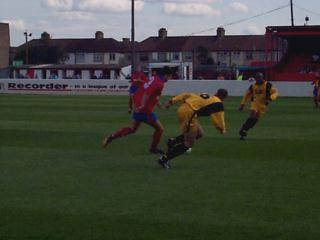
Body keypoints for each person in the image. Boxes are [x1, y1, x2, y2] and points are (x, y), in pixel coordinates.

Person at [102, 66, 173, 154]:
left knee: (132, 129)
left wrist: (158, 105)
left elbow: (152, 94)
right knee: (160, 129)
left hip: (138, 105)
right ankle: (153, 148)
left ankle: (111, 137)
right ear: (166, 75)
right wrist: (142, 105)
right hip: (144, 109)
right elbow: (147, 94)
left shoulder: (154, 78)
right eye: (170, 76)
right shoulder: (159, 83)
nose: (170, 78)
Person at [158, 89, 228, 169]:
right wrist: (222, 129)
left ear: (216, 93)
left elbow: (186, 94)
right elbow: (219, 118)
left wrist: (172, 101)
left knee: (199, 133)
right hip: (189, 114)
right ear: (224, 98)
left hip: (185, 110)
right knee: (189, 143)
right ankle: (164, 159)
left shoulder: (208, 96)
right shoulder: (219, 104)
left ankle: (173, 142)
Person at [238, 72, 278, 140]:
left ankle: (244, 130)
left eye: (259, 78)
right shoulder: (253, 86)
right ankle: (243, 129)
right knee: (253, 113)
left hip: (263, 105)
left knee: (255, 119)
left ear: (262, 78)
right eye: (256, 78)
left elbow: (276, 92)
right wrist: (242, 104)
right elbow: (246, 95)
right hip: (255, 103)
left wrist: (270, 98)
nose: (258, 80)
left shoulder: (267, 85)